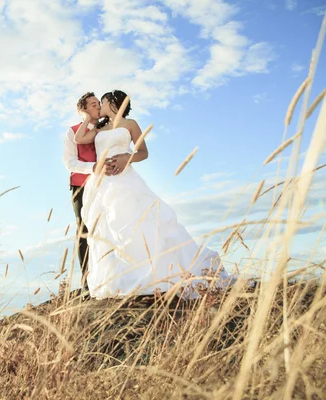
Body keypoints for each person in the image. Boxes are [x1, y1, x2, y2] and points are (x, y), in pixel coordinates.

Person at [74, 90, 234, 299]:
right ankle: (120, 278)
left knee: (135, 222)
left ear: (113, 103)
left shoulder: (130, 124)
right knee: (108, 227)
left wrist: (126, 158)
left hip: (126, 179)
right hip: (104, 182)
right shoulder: (100, 128)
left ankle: (151, 273)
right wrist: (86, 118)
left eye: (102, 102)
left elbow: (143, 152)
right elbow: (79, 138)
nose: (100, 107)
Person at [62, 92, 132, 292]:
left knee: (111, 227)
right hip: (81, 186)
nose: (98, 106)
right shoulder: (73, 132)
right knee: (84, 230)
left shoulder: (107, 127)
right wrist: (95, 167)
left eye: (98, 103)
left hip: (108, 184)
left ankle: (113, 275)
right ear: (83, 110)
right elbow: (69, 163)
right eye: (93, 104)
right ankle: (86, 283)